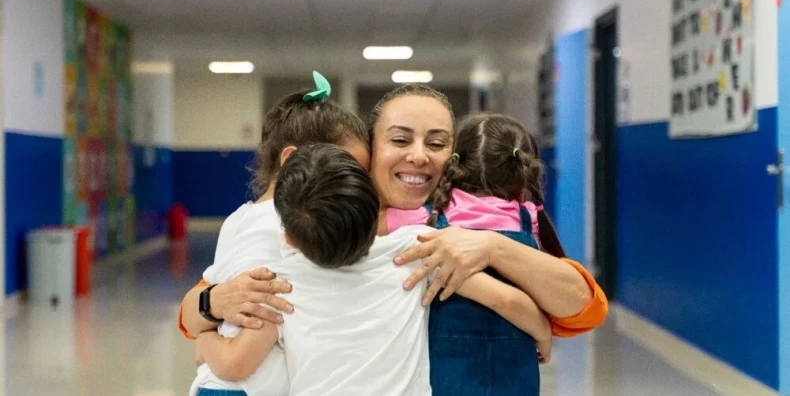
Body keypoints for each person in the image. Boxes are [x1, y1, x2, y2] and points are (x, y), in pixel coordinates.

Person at [179, 83, 607, 395]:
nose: (418, 155)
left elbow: (584, 311)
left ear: (454, 160)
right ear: (368, 153)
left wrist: (492, 247)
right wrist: (211, 302)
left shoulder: (453, 234)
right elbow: (195, 314)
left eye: (437, 143)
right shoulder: (318, 230)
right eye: (399, 139)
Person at [197, 143, 553, 395]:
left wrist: (205, 339)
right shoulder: (414, 248)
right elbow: (507, 302)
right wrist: (541, 331)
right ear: (377, 213)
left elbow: (235, 365)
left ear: (288, 238)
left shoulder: (280, 285)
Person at [186, 72, 372, 396]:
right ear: (291, 161)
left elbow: (204, 297)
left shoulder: (239, 218)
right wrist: (207, 342)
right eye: (342, 169)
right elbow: (238, 359)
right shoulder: (287, 231)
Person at [386, 113, 586, 394]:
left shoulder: (424, 221)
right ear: (524, 172)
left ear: (453, 165)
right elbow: (517, 298)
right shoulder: (528, 220)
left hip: (446, 375)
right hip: (516, 376)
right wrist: (542, 332)